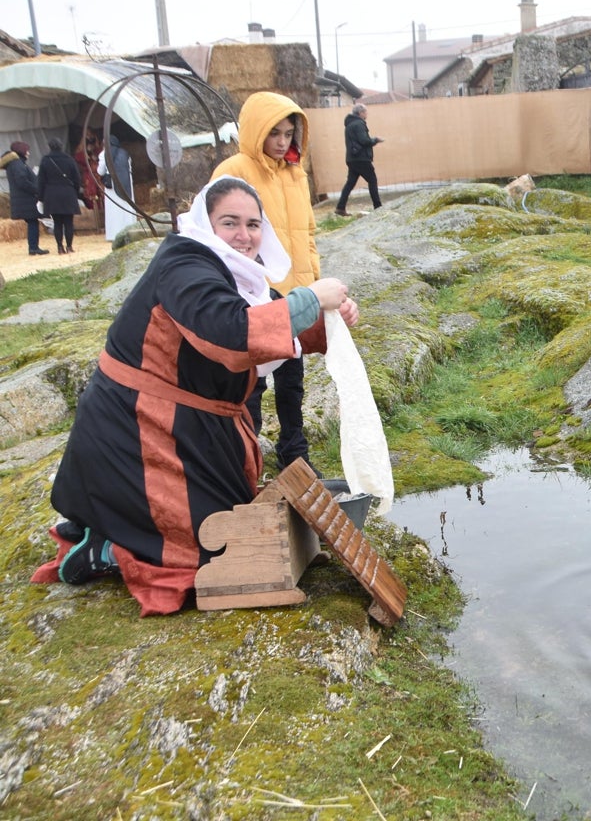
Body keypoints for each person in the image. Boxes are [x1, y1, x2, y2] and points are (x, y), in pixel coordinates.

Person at [31, 176, 359, 616]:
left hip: (190, 425)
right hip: (137, 429)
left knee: (235, 527)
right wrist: (309, 299)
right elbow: (233, 333)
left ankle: (109, 529)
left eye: (252, 224)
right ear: (206, 222)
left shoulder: (233, 273)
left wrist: (326, 319)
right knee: (212, 552)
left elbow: (263, 315)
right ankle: (103, 549)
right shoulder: (185, 265)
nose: (244, 236)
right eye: (230, 222)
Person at [213, 92, 322, 474]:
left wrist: (314, 279)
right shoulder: (235, 169)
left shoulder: (296, 172)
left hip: (295, 290)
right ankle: (248, 456)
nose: (282, 141)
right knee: (253, 382)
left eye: (289, 133)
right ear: (256, 130)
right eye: (274, 132)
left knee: (292, 378)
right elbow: (219, 232)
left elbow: (307, 230)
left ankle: (294, 451)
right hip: (256, 290)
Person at [334, 103, 383, 216]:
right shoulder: (359, 124)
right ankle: (378, 206)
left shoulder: (349, 124)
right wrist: (375, 140)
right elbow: (364, 140)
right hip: (361, 158)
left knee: (350, 183)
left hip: (352, 158)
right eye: (365, 112)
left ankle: (340, 207)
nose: (367, 114)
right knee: (372, 180)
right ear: (360, 113)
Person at [36, 137, 82, 254]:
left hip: (52, 194)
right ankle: (69, 246)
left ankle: (60, 247)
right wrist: (75, 192)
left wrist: (41, 197)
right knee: (68, 222)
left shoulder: (46, 160)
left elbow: (41, 181)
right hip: (68, 192)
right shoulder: (69, 159)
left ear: (49, 147)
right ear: (61, 146)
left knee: (57, 222)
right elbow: (77, 179)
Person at [1, 141, 48, 255]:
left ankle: (33, 247)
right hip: (26, 199)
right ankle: (33, 248)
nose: (28, 153)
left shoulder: (16, 164)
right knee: (33, 222)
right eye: (27, 150)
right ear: (22, 151)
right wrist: (36, 190)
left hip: (23, 199)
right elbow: (22, 182)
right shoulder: (17, 164)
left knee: (33, 222)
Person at [97, 134, 138, 241]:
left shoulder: (104, 154)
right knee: (127, 208)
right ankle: (129, 231)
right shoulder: (125, 153)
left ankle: (114, 234)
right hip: (126, 184)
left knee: (114, 210)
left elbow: (100, 171)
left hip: (112, 187)